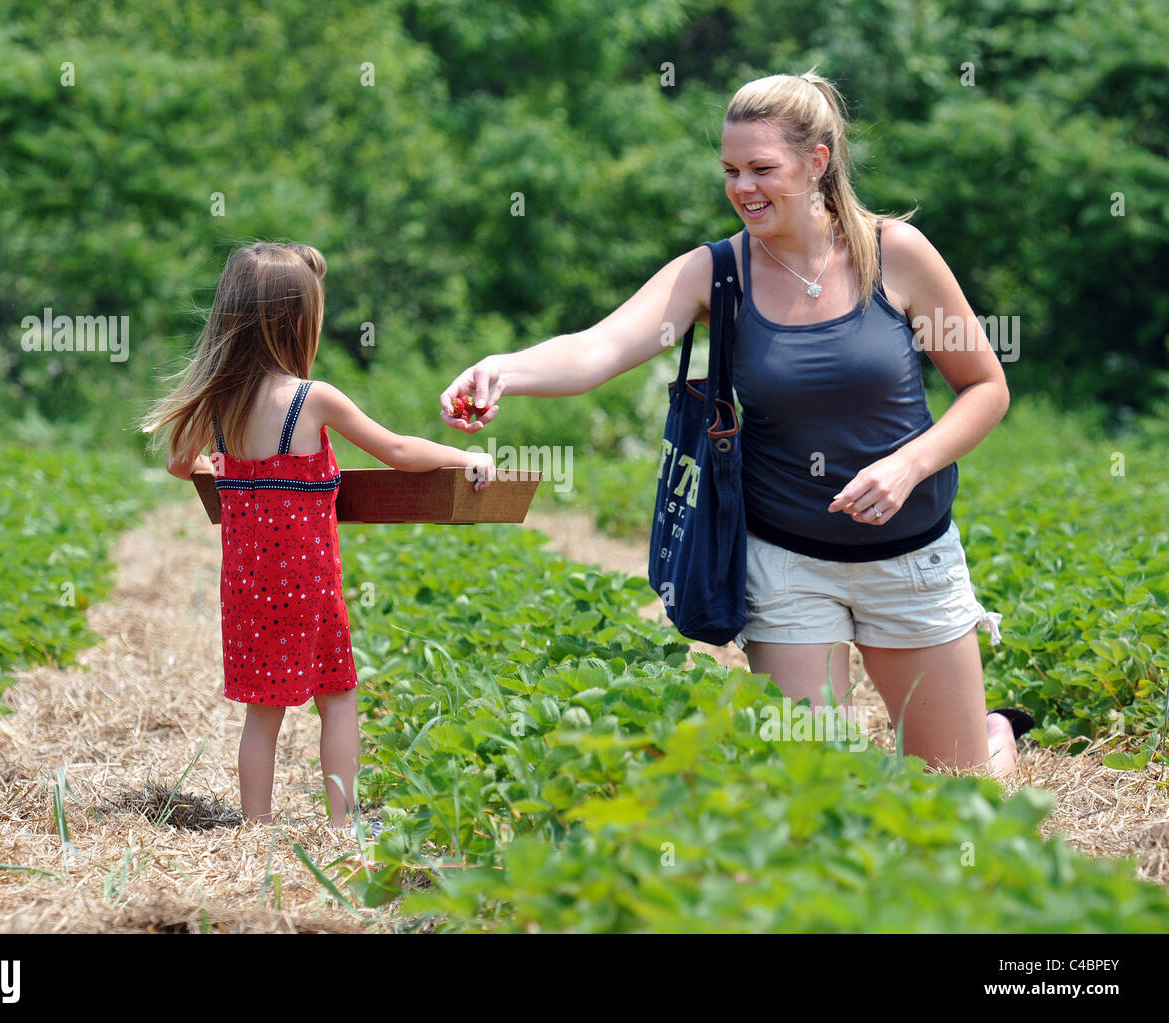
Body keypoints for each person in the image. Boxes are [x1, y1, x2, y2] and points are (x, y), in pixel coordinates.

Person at [439, 71, 1031, 779]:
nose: (743, 187)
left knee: (958, 787)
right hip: (785, 561)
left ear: (816, 163)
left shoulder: (894, 253)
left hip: (910, 554)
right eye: (730, 170)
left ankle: (995, 734)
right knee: (811, 786)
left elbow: (985, 388)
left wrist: (909, 464)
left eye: (762, 169)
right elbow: (600, 347)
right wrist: (503, 368)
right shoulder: (718, 273)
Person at [141, 241, 496, 828]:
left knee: (263, 715)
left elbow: (182, 464)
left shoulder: (218, 406)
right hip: (308, 587)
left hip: (247, 587)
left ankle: (254, 828)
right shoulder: (311, 400)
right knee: (338, 701)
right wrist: (465, 456)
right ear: (299, 323)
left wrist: (217, 468)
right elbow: (399, 451)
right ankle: (342, 822)